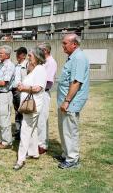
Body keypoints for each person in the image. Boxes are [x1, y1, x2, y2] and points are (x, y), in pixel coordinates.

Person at [56, 34, 89, 169]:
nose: (63, 46)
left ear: (74, 44)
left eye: (65, 43)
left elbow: (76, 82)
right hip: (65, 101)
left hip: (71, 101)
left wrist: (67, 100)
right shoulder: (72, 57)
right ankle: (66, 154)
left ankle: (72, 159)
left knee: (70, 130)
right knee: (64, 128)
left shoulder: (79, 58)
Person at [13, 47, 47, 170]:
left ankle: (20, 159)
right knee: (32, 130)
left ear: (37, 57)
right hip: (30, 105)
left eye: (30, 56)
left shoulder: (40, 69)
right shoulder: (35, 69)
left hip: (33, 106)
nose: (28, 57)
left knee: (25, 131)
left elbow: (38, 88)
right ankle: (34, 152)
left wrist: (23, 88)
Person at [37, 42, 57, 155]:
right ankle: (39, 142)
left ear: (45, 50)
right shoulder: (44, 62)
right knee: (39, 119)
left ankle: (42, 145)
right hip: (39, 92)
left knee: (42, 120)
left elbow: (48, 81)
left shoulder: (51, 62)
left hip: (43, 92)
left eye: (39, 50)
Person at [12, 47, 28, 141]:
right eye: (17, 53)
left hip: (22, 92)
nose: (17, 55)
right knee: (17, 113)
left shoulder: (26, 65)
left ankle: (23, 134)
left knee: (22, 113)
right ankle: (18, 133)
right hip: (15, 91)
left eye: (19, 53)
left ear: (24, 55)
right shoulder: (16, 65)